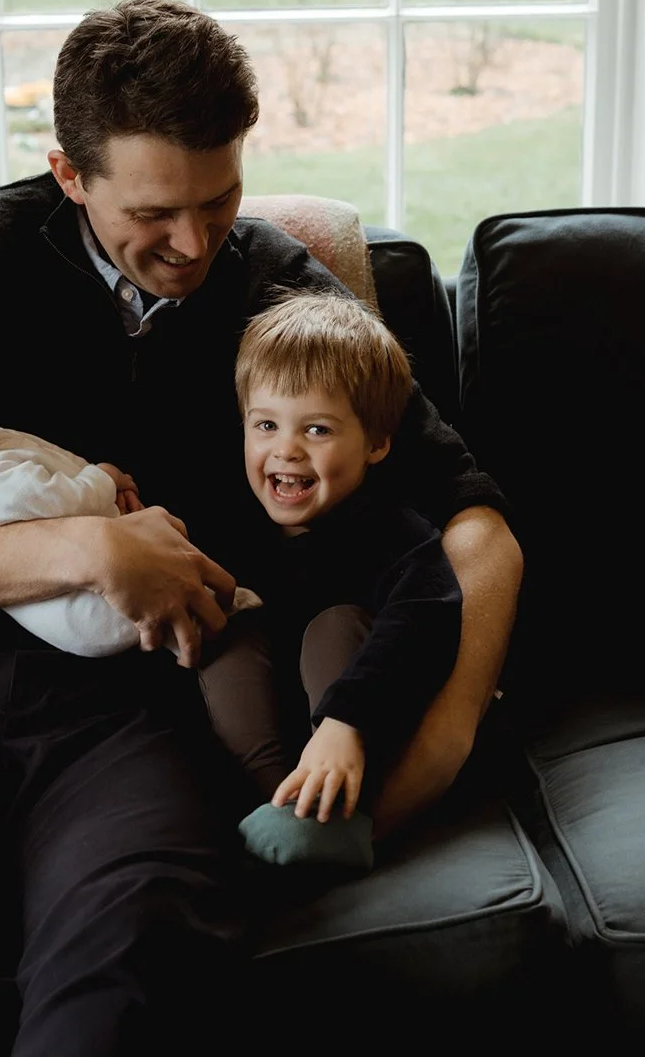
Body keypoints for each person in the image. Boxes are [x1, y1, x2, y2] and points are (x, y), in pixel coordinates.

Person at [0, 0, 522, 1057]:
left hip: (135, 715)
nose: (192, 243)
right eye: (151, 213)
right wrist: (87, 546)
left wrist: (435, 752)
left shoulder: (279, 292)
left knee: (136, 974)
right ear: (68, 175)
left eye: (218, 200)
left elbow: (476, 531)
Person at [201, 293, 460, 873]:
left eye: (316, 429)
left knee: (334, 625)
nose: (284, 449)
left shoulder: (395, 532)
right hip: (272, 737)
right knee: (232, 636)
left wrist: (348, 722)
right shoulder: (230, 522)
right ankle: (281, 806)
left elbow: (425, 618)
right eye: (265, 424)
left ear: (375, 443)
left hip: (361, 733)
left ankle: (332, 815)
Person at [0, 390, 255, 660]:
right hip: (89, 612)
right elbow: (60, 498)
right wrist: (103, 479)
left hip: (89, 605)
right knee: (184, 614)